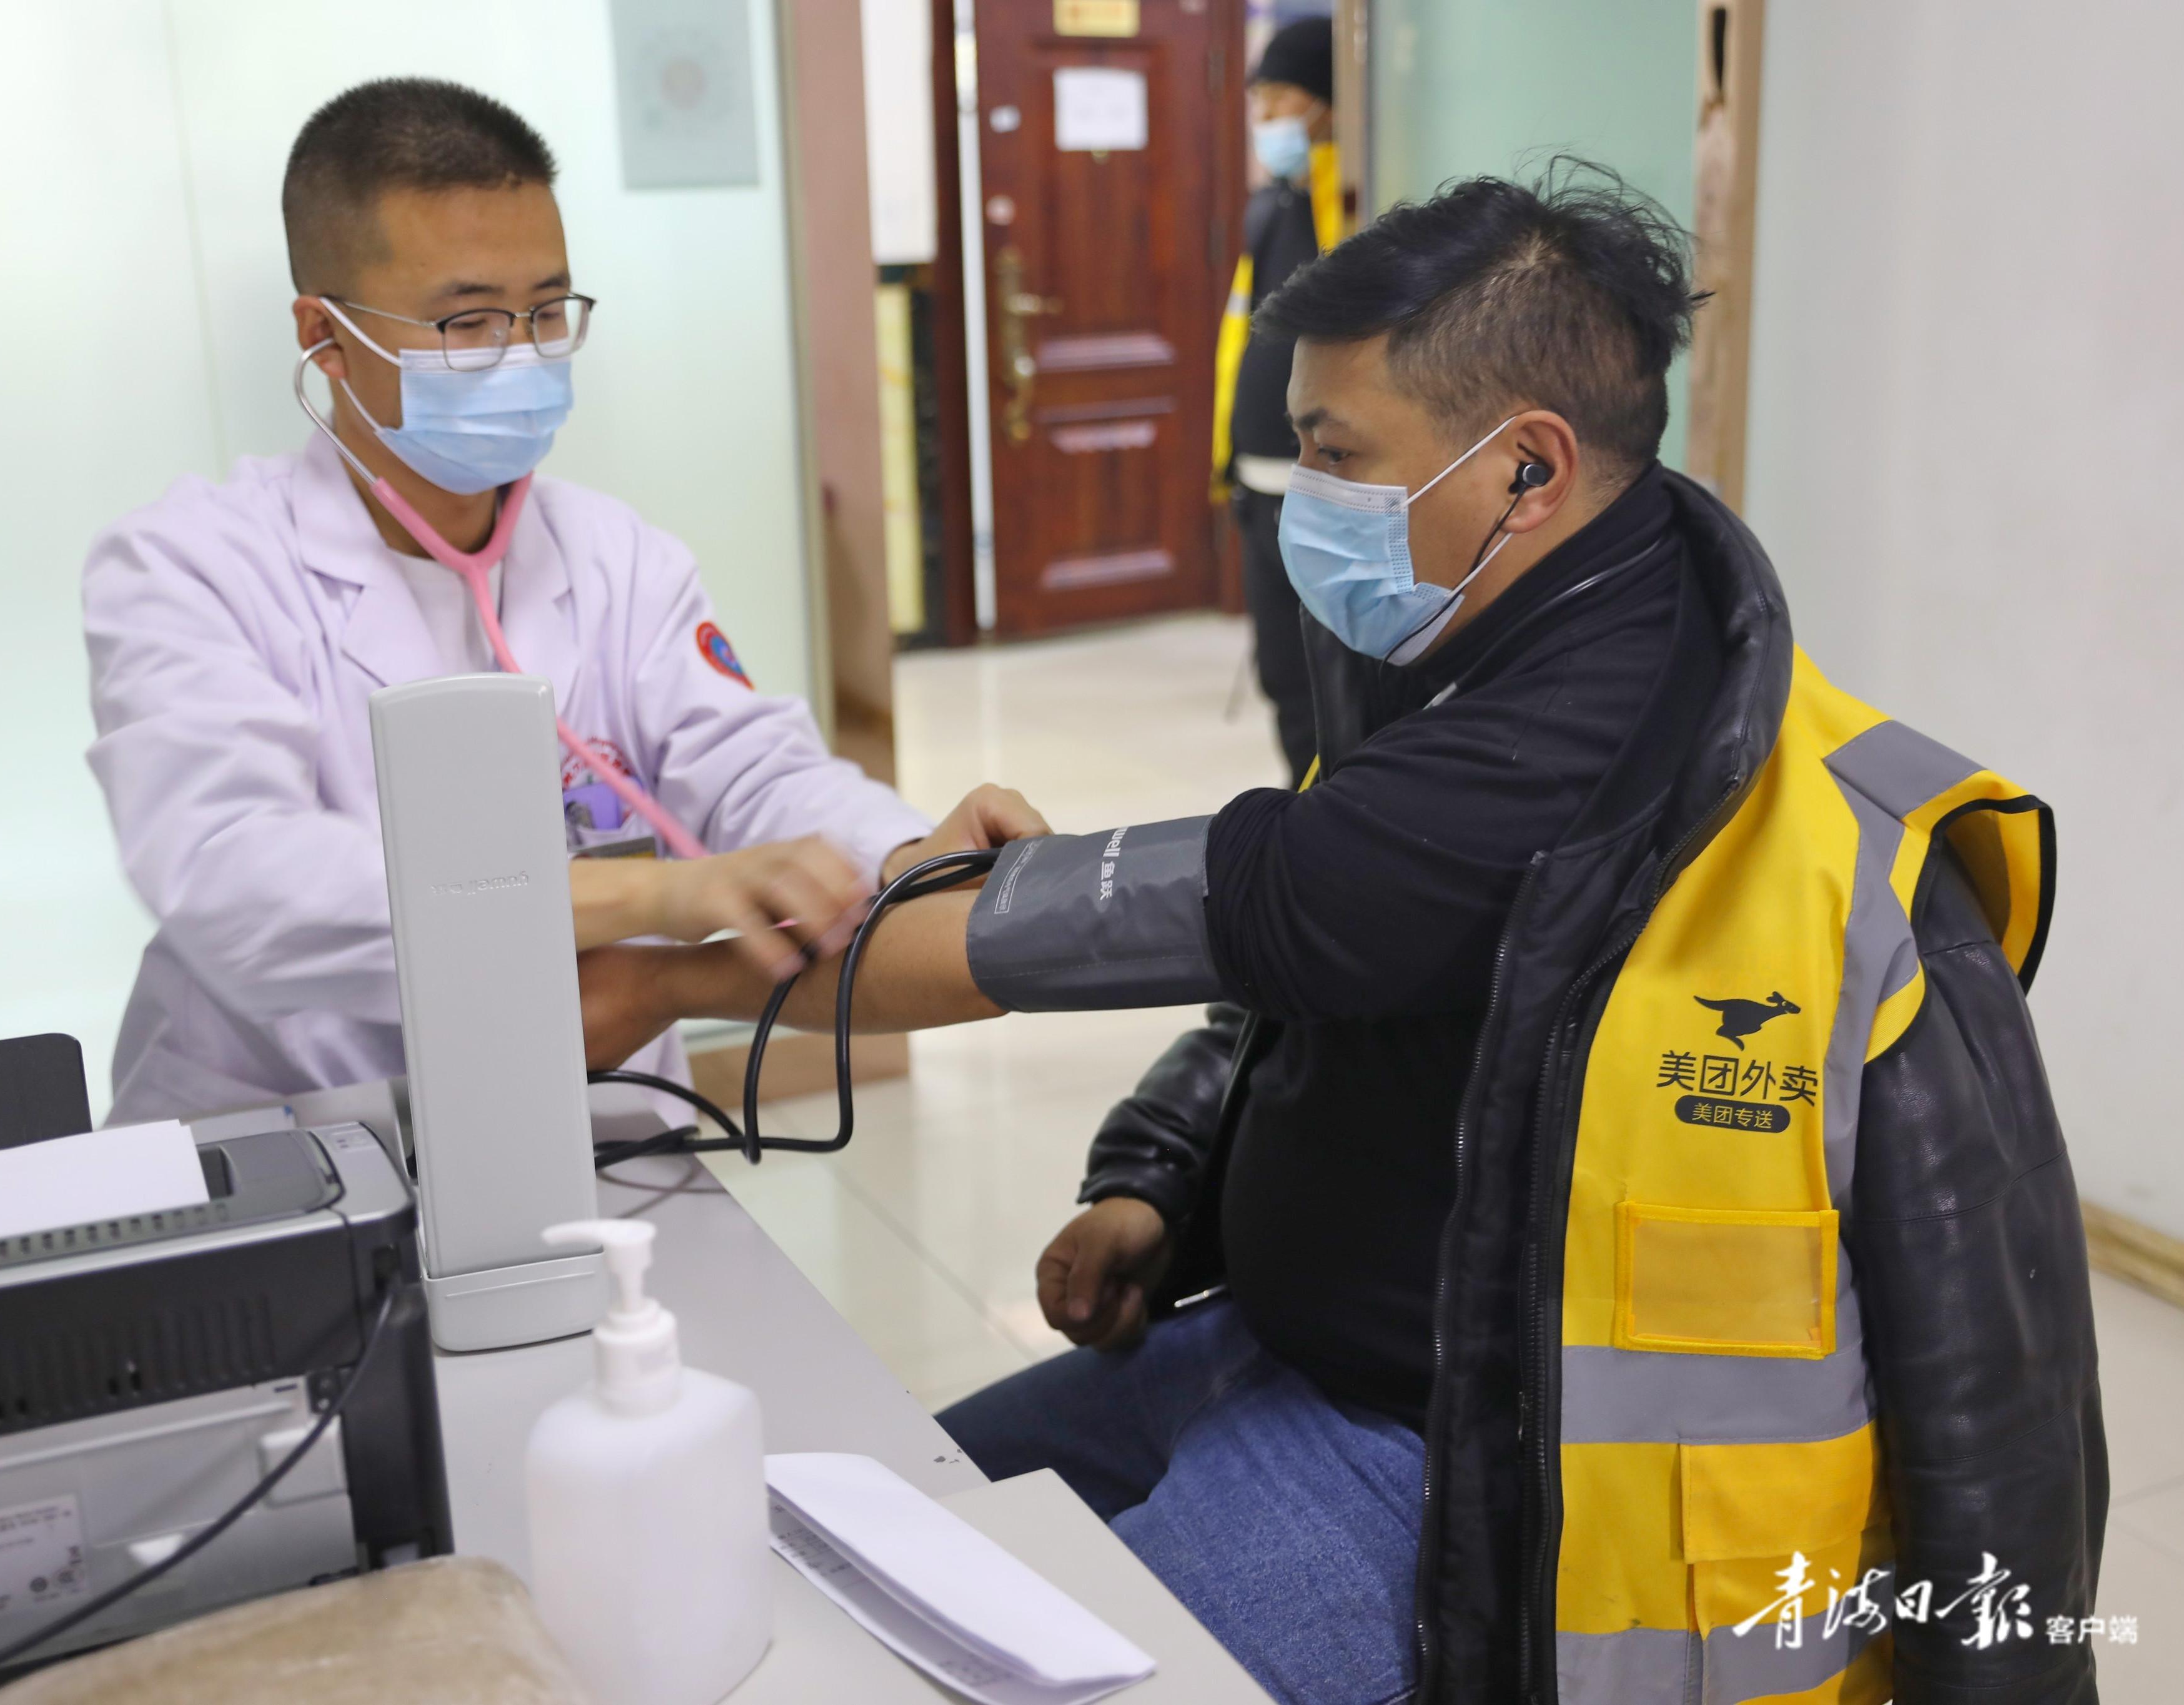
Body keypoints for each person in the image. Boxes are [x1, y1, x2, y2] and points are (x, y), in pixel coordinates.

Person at [641, 166, 2105, 1704]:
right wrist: (1164, 1182)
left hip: (1444, 1462)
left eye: (1335, 456)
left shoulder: (1743, 828)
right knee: (840, 1541)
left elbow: (2002, 1396)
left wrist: (629, 979)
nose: (1302, 499)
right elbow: (1325, 975)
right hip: (1248, 1340)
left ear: (1524, 469)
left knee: (927, 1672)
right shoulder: (1508, 616)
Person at [84, 78, 1039, 1124]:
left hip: (592, 1106)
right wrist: (654, 899)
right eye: (466, 320)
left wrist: (902, 858)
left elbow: (752, 770)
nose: (523, 353)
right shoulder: (187, 566)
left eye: (547, 310)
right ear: (323, 336)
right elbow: (240, 884)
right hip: (294, 1119)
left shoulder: (616, 557)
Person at [1212, 16, 1342, 783]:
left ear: (1326, 102)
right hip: (1257, 482)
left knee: (1337, 685)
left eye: (1281, 96)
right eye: (1258, 98)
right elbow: (1241, 340)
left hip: (1323, 489)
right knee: (1283, 676)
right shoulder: (1272, 208)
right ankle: (1304, 807)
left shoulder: (1348, 201)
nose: (1265, 117)